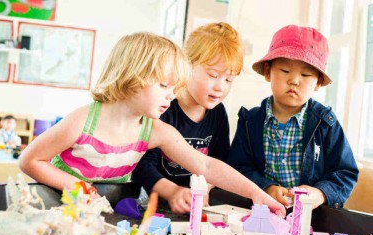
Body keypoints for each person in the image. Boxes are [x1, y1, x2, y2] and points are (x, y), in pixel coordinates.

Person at [19, 32, 285, 215]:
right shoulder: (82, 121)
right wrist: (78, 188)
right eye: (164, 85)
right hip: (58, 208)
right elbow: (30, 161)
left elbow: (205, 164)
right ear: (133, 77)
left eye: (175, 87)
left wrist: (257, 194)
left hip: (100, 212)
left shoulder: (153, 130)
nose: (172, 94)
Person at [227, 25, 359, 209]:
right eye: (285, 71)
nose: (294, 80)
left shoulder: (325, 123)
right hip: (261, 213)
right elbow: (237, 168)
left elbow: (345, 172)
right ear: (268, 72)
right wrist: (266, 187)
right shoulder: (250, 122)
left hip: (313, 219)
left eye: (305, 74)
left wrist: (320, 193)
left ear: (318, 82)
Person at [132, 22, 243, 214]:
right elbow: (141, 166)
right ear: (187, 65)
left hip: (196, 205)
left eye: (228, 80)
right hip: (154, 203)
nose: (220, 87)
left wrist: (204, 189)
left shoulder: (217, 113)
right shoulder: (163, 106)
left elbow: (220, 162)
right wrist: (173, 191)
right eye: (213, 75)